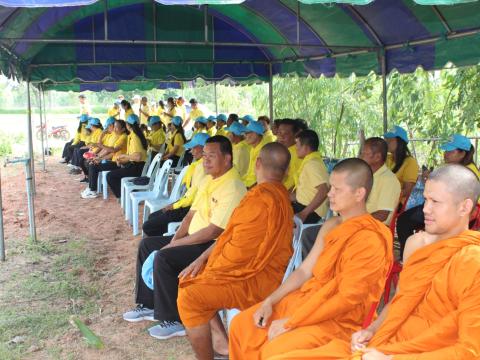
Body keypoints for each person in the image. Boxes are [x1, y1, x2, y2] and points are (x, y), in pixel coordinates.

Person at [273, 164, 480, 360]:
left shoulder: (473, 262)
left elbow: (470, 350)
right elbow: (400, 299)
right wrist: (371, 330)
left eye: (435, 202)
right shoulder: (416, 243)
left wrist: (392, 358)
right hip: (385, 342)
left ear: (464, 207)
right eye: (425, 199)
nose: (425, 209)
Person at [229, 158, 393, 360]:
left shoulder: (370, 238)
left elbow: (346, 299)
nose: (329, 194)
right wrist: (270, 301)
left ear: (359, 193)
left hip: (336, 320)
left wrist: (292, 322)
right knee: (241, 325)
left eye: (336, 189)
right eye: (330, 187)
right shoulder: (332, 225)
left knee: (276, 350)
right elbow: (305, 271)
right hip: (306, 301)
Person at [122, 136, 247, 341]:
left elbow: (214, 232)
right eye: (204, 155)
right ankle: (148, 304)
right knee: (147, 244)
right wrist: (174, 240)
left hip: (213, 247)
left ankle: (175, 319)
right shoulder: (209, 179)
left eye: (211, 156)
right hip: (194, 238)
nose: (206, 160)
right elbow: (190, 216)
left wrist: (174, 246)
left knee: (164, 257)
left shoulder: (232, 186)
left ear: (227, 158)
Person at [177, 142, 294, 360]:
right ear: (286, 172)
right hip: (261, 270)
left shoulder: (260, 200)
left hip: (258, 280)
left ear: (257, 163)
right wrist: (203, 258)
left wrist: (211, 270)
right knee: (194, 278)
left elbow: (238, 254)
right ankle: (221, 342)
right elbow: (233, 237)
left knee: (189, 295)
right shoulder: (279, 196)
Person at [396, 134, 480, 259]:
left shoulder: (465, 173)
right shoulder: (456, 168)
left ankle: (405, 256)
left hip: (459, 211)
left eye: (450, 151)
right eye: (445, 151)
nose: (445, 154)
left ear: (463, 153)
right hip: (447, 207)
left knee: (404, 221)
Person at [142, 133, 209, 236]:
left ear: (204, 148)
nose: (191, 151)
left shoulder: (203, 167)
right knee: (152, 218)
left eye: (193, 148)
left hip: (192, 207)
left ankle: (166, 242)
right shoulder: (199, 165)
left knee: (148, 225)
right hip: (187, 202)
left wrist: (174, 205)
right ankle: (164, 238)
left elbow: (192, 196)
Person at [81, 119, 128, 199]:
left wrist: (99, 148)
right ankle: (91, 188)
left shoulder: (123, 137)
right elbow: (112, 154)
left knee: (93, 166)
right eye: (115, 127)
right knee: (93, 163)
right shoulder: (118, 135)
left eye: (117, 128)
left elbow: (112, 150)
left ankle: (92, 190)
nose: (114, 129)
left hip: (120, 163)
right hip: (114, 161)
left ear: (123, 129)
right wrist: (99, 158)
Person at [359, 137, 401, 225]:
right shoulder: (365, 175)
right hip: (361, 224)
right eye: (361, 153)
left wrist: (356, 223)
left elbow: (382, 215)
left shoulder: (389, 180)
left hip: (375, 228)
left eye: (364, 153)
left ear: (377, 157)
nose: (360, 157)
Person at [291, 129, 329, 224]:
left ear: (306, 147)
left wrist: (304, 213)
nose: (295, 148)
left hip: (310, 211)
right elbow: (307, 192)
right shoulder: (310, 162)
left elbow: (324, 190)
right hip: (303, 206)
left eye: (297, 144)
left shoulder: (312, 164)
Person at [106, 114, 148, 198]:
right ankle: (127, 194)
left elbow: (138, 157)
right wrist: (122, 160)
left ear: (128, 125)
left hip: (138, 168)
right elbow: (132, 156)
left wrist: (124, 156)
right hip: (136, 165)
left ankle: (124, 197)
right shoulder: (134, 135)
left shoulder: (135, 137)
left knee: (110, 176)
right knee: (116, 171)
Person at [384, 126, 419, 204]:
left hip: (396, 205)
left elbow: (407, 190)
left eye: (391, 139)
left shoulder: (410, 162)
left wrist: (386, 197)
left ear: (400, 142)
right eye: (387, 139)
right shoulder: (387, 159)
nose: (387, 141)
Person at [242, 121, 273, 188]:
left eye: (248, 133)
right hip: (247, 183)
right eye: (245, 133)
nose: (245, 136)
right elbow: (249, 173)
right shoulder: (253, 148)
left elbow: (262, 178)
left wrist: (247, 189)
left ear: (256, 133)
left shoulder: (264, 151)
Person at [276, 119, 303, 191]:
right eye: (279, 133)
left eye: (286, 133)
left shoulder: (297, 153)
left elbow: (296, 182)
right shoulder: (283, 150)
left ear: (295, 135)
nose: (281, 136)